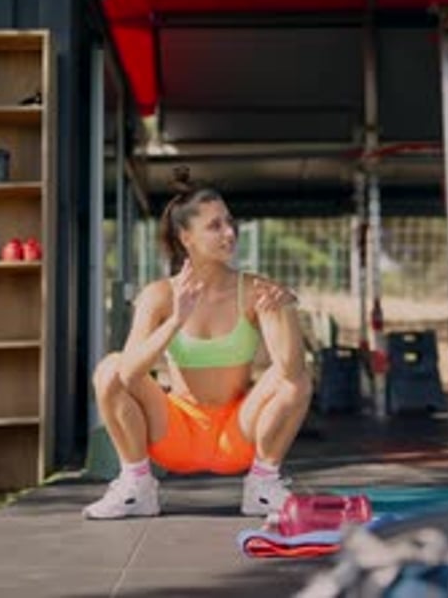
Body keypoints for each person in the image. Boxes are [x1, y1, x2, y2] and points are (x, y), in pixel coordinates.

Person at [83, 174, 312, 520]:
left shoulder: (255, 290)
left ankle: (263, 486)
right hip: (176, 434)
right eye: (215, 226)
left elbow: (292, 374)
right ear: (185, 237)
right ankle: (137, 487)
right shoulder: (158, 295)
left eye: (230, 223)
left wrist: (287, 310)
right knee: (109, 369)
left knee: (298, 379)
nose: (229, 233)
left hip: (237, 435)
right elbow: (129, 374)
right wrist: (176, 320)